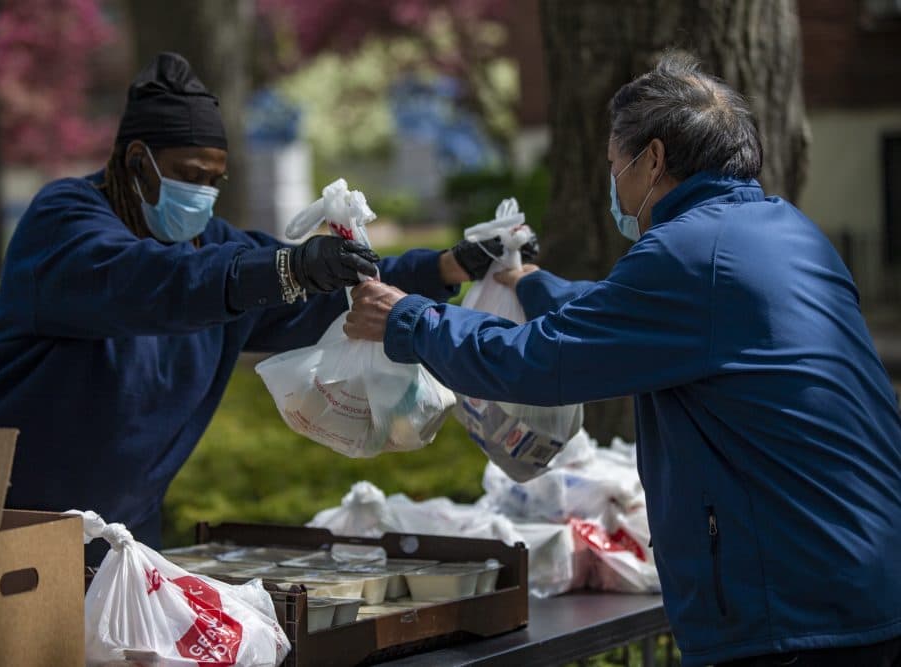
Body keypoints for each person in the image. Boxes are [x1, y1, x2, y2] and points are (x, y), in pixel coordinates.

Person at [346, 53, 901, 667]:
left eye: (615, 165)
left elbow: (542, 362)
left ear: (654, 159)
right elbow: (632, 319)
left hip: (792, 617)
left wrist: (410, 319)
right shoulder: (785, 234)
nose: (613, 183)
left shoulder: (687, 253)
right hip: (859, 578)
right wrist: (530, 284)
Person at [0, 52, 530, 565]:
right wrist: (284, 269)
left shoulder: (214, 248)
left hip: (116, 533)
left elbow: (326, 293)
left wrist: (444, 267)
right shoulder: (65, 222)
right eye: (190, 175)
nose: (204, 194)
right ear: (137, 161)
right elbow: (151, 284)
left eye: (215, 179)